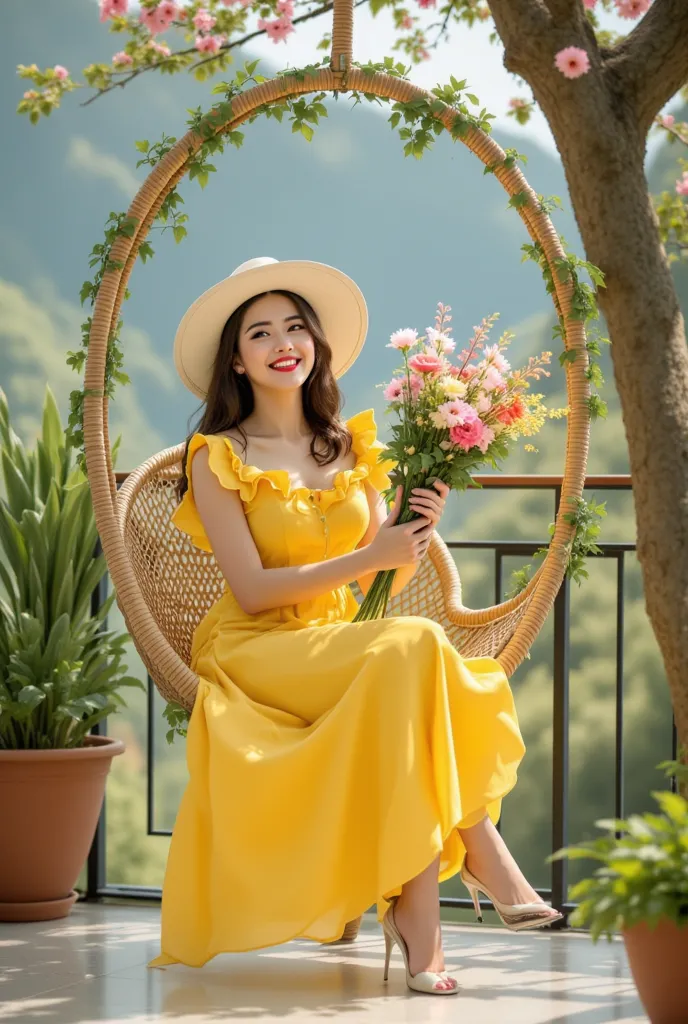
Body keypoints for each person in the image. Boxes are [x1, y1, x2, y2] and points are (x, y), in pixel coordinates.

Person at [149, 256, 562, 995]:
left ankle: (422, 929)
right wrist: (368, 555)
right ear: (236, 362)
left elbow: (383, 579)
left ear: (316, 345)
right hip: (256, 647)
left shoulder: (346, 448)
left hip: (338, 642)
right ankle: (481, 853)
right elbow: (249, 592)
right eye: (260, 332)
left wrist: (413, 534)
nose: (284, 342)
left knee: (407, 661)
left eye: (296, 327)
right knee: (415, 647)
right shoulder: (219, 457)